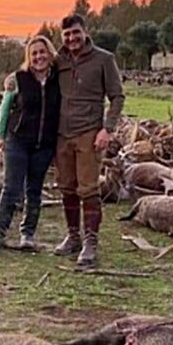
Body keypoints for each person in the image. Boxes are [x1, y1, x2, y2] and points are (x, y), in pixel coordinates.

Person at [53, 14, 125, 268]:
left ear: (85, 32)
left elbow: (117, 96)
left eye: (75, 33)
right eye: (67, 35)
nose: (71, 38)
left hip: (88, 133)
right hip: (61, 134)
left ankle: (90, 242)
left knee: (88, 189)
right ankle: (73, 236)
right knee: (66, 186)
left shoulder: (104, 59)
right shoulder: (58, 60)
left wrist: (107, 129)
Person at [0, 37, 60, 255]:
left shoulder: (58, 80)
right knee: (11, 187)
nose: (39, 57)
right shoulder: (18, 79)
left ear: (49, 53)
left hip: (44, 144)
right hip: (18, 140)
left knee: (34, 190)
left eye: (42, 52)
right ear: (28, 57)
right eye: (34, 53)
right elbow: (5, 109)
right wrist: (0, 136)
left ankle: (28, 235)